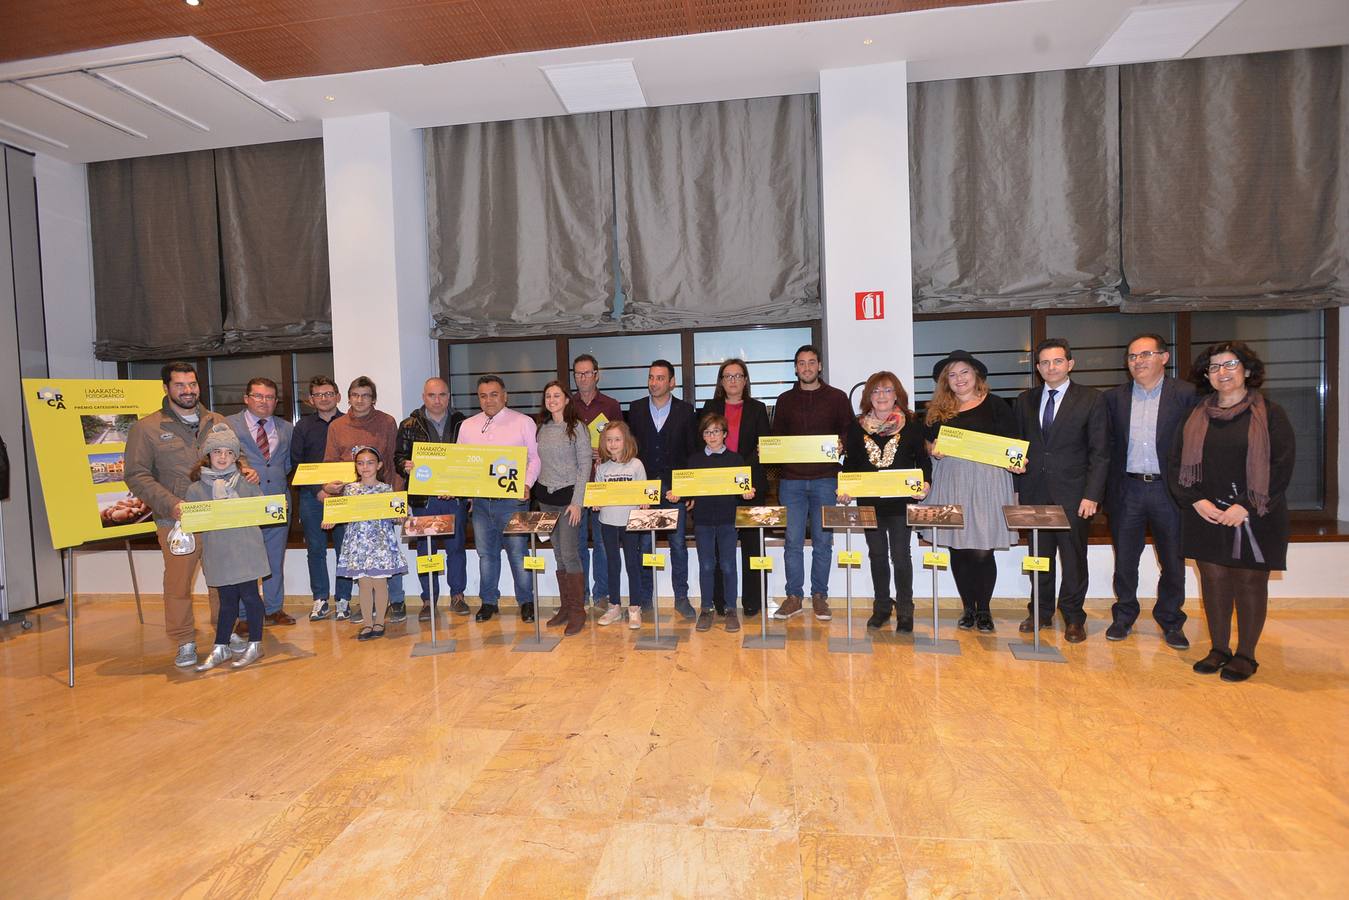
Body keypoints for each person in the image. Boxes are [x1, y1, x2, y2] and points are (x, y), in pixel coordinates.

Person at [1169, 341, 1294, 683]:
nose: (1222, 373)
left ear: (1248, 371)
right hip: (1205, 511)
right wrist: (1196, 500)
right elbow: (1176, 462)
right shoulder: (1195, 415)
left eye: (1230, 365)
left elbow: (1281, 466)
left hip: (1255, 513)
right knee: (1213, 580)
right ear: (1206, 376)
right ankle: (1219, 648)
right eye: (1214, 367)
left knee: (1250, 581)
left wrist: (1245, 507)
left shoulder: (1270, 413)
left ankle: (1246, 655)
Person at [124, 361, 232, 668]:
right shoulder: (146, 428)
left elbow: (236, 458)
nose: (188, 391)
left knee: (225, 579)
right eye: (180, 385)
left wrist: (246, 471)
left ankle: (224, 632)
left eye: (192, 384)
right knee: (178, 584)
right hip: (176, 521)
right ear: (166, 388)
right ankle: (185, 640)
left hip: (218, 518)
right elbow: (136, 475)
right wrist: (171, 504)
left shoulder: (218, 421)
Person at [1104, 334, 1199, 648]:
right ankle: (1124, 615)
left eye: (1145, 354)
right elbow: (1106, 447)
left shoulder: (1186, 394)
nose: (1138, 361)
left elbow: (1197, 445)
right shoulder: (1114, 398)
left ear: (1164, 357)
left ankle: (1171, 620)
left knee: (1173, 560)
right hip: (1127, 489)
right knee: (1125, 559)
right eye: (1132, 356)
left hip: (1167, 491)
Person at [1012, 338, 1109, 644]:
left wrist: (1092, 494)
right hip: (1034, 493)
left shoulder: (1091, 399)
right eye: (1044, 362)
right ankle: (1039, 612)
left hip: (1074, 496)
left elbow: (1101, 452)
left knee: (1074, 560)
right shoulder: (1025, 399)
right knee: (1038, 558)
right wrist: (1016, 475)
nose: (1050, 367)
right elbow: (1018, 445)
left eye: (1057, 361)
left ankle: (1074, 617)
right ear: (1038, 367)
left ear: (1070, 364)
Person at [923, 351, 1018, 633]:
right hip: (951, 480)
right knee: (959, 549)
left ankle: (984, 609)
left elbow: (1013, 443)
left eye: (964, 372)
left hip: (988, 482)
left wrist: (1018, 461)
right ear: (945, 381)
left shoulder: (997, 405)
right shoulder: (937, 411)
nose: (959, 379)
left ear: (976, 375)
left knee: (982, 550)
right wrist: (933, 450)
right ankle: (967, 608)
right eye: (952, 375)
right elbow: (927, 445)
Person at [838, 371, 930, 633]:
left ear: (897, 395)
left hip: (901, 504)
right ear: (868, 396)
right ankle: (881, 608)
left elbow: (922, 461)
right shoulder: (857, 427)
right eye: (876, 391)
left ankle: (905, 611)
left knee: (901, 556)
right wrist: (845, 488)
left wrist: (925, 483)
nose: (881, 396)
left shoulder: (912, 424)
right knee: (877, 555)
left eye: (887, 390)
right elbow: (851, 463)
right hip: (869, 503)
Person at [771, 344, 854, 621]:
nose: (806, 368)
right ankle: (794, 597)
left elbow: (848, 431)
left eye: (811, 362)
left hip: (825, 480)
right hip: (791, 481)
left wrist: (843, 443)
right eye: (801, 363)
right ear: (795, 368)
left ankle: (820, 596)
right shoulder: (784, 400)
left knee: (823, 541)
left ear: (819, 366)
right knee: (792, 542)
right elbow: (777, 437)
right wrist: (769, 449)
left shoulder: (838, 397)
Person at [457, 375, 541, 622]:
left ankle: (526, 601)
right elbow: (461, 463)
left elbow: (534, 458)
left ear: (505, 396)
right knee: (486, 554)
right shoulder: (467, 425)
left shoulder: (523, 422)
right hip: (481, 502)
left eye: (494, 394)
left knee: (518, 552)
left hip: (513, 501)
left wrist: (527, 483)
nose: (489, 400)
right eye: (483, 395)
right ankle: (489, 601)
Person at [321, 376, 404, 622]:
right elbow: (329, 463)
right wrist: (329, 490)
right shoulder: (337, 426)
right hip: (352, 500)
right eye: (355, 395)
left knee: (387, 551)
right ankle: (368, 608)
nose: (360, 400)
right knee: (361, 554)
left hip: (381, 496)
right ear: (348, 397)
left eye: (365, 395)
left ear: (373, 398)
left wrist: (398, 499)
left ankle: (396, 601)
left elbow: (391, 460)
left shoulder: (387, 421)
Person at [187, 424, 269, 671]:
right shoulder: (196, 489)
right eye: (217, 452)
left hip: (246, 550)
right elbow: (194, 521)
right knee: (227, 601)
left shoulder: (247, 483)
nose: (222, 457)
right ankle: (221, 646)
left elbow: (263, 510)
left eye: (228, 452)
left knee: (251, 597)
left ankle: (255, 643)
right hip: (219, 552)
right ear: (208, 456)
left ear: (236, 456)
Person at [667, 412, 757, 633]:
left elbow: (743, 489)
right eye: (707, 432)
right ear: (703, 436)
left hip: (728, 520)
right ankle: (706, 609)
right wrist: (677, 494)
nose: (712, 436)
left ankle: (730, 610)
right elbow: (686, 490)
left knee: (728, 566)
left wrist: (747, 493)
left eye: (716, 431)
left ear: (724, 434)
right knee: (706, 566)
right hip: (704, 521)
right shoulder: (695, 461)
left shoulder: (735, 460)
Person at [698, 358, 772, 617]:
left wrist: (738, 469)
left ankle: (753, 600)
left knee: (753, 544)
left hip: (750, 485)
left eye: (738, 376)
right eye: (727, 376)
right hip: (716, 489)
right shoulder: (709, 407)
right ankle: (720, 602)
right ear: (720, 381)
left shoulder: (758, 408)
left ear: (745, 380)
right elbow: (701, 447)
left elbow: (764, 448)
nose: (733, 380)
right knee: (718, 548)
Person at [626, 359, 698, 619]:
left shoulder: (686, 410)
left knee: (678, 545)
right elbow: (629, 451)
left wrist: (689, 490)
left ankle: (681, 597)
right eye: (651, 377)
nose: (654, 382)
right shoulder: (634, 409)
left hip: (674, 489)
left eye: (659, 378)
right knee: (644, 545)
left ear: (672, 382)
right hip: (644, 488)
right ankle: (645, 598)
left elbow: (692, 452)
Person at [395, 377, 467, 621]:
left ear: (449, 396)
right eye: (432, 395)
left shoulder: (462, 423)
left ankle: (458, 596)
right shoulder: (408, 424)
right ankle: (428, 600)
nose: (438, 400)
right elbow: (398, 457)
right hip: (423, 499)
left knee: (456, 549)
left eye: (443, 395)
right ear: (423, 397)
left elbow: (470, 458)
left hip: (454, 496)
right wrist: (404, 465)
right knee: (427, 550)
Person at [226, 377, 295, 627]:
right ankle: (245, 616)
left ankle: (274, 608)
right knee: (246, 561)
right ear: (246, 398)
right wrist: (241, 469)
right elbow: (216, 458)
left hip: (277, 501)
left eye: (269, 397)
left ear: (275, 401)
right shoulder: (228, 425)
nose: (263, 402)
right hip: (244, 502)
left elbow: (285, 465)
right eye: (258, 396)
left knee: (274, 559)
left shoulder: (286, 428)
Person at [323, 446, 408, 641]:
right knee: (363, 585)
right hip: (358, 544)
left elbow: (395, 515)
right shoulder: (349, 489)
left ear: (378, 465)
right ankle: (367, 623)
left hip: (380, 544)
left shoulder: (386, 489)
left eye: (370, 462)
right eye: (360, 463)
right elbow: (339, 512)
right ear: (356, 467)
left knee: (379, 584)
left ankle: (380, 622)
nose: (365, 467)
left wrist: (400, 517)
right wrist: (330, 519)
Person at [534, 381, 592, 636]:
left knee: (570, 554)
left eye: (557, 395)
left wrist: (578, 502)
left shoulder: (577, 427)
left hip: (570, 500)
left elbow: (585, 466)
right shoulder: (542, 428)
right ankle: (566, 608)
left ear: (567, 400)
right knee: (558, 554)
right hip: (546, 497)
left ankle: (578, 611)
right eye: (548, 396)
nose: (552, 399)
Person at [292, 376, 350, 621]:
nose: (324, 398)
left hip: (345, 494)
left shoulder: (349, 423)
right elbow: (296, 463)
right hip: (312, 496)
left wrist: (338, 489)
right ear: (311, 400)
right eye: (318, 395)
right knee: (315, 549)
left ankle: (344, 599)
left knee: (344, 549)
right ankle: (320, 599)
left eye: (329, 394)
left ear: (338, 397)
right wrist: (319, 489)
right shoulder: (303, 427)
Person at [570, 353, 623, 611]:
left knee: (602, 543)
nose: (583, 378)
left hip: (604, 485)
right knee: (578, 543)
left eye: (587, 373)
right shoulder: (568, 405)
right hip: (576, 485)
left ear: (597, 375)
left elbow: (622, 443)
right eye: (578, 373)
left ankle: (602, 594)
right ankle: (581, 595)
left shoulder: (611, 405)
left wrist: (603, 451)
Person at [591, 420, 650, 629]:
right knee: (612, 565)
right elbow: (596, 494)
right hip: (608, 522)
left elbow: (646, 493)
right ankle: (614, 606)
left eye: (617, 439)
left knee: (633, 564)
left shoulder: (636, 465)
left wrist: (646, 500)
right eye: (609, 440)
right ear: (604, 443)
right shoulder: (602, 468)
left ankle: (635, 607)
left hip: (630, 523)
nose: (613, 444)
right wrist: (595, 502)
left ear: (626, 441)